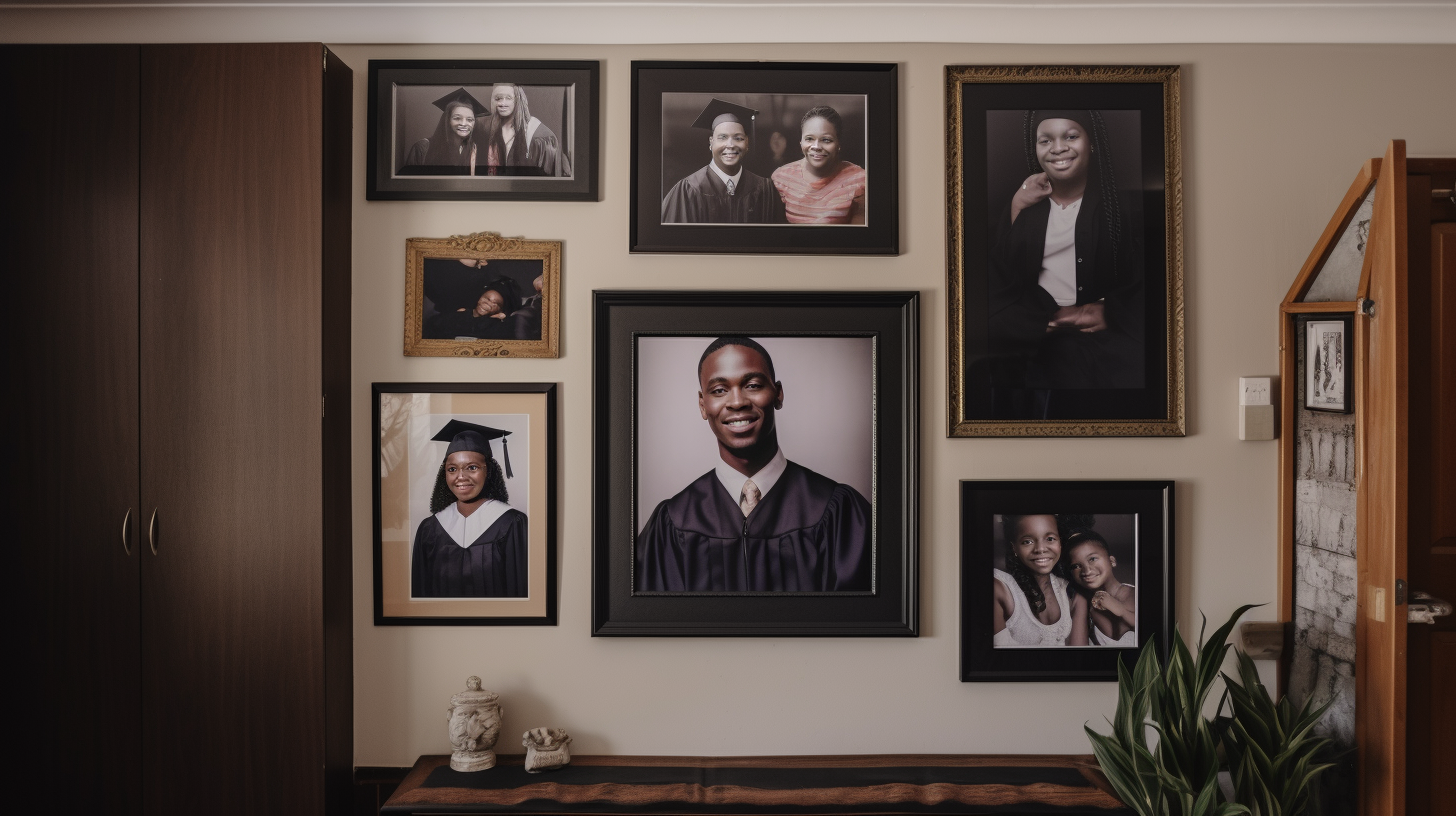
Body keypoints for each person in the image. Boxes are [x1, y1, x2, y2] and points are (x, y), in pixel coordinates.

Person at [635, 336, 871, 592]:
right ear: (703, 405)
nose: (737, 402)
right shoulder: (673, 523)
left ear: (778, 394)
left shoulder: (839, 513)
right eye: (719, 390)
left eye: (753, 385)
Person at [986, 109, 1144, 413]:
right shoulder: (1026, 206)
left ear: (1092, 143)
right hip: (1034, 321)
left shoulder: (1119, 207)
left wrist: (1106, 309)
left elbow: (1146, 279)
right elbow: (1001, 275)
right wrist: (1018, 203)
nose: (1058, 148)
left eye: (1071, 136)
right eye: (1046, 140)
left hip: (1098, 331)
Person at [411, 421, 527, 598]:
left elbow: (522, 592)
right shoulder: (429, 529)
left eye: (472, 467)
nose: (460, 477)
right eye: (452, 469)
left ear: (489, 471)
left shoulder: (512, 523)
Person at [661, 99, 787, 225]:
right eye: (723, 137)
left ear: (747, 143)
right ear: (711, 142)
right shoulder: (688, 190)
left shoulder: (764, 189)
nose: (730, 145)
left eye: (738, 138)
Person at [771, 105, 866, 225]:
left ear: (838, 143)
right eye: (809, 139)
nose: (816, 147)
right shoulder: (781, 177)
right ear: (801, 142)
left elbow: (861, 239)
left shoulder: (859, 179)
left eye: (826, 140)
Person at [992, 514, 1074, 647]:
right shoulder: (1000, 587)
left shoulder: (1064, 588)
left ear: (1060, 543)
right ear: (1014, 548)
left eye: (1050, 539)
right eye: (1027, 541)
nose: (1040, 549)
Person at [1065, 529, 1137, 647]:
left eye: (1092, 559)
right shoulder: (1085, 607)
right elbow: (1077, 652)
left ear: (1112, 561)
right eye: (1076, 566)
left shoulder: (1136, 594)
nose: (1086, 571)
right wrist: (1081, 600)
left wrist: (1122, 611)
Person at [484, 83, 571, 177]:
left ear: (518, 100)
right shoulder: (488, 130)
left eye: (508, 98)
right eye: (498, 98)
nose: (502, 103)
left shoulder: (541, 136)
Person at [400, 88, 487, 175]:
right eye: (457, 118)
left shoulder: (475, 150)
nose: (464, 123)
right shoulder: (423, 147)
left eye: (469, 119)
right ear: (447, 120)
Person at [424, 273, 521, 341]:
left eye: (495, 303)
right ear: (480, 297)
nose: (488, 304)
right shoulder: (453, 317)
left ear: (501, 310)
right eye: (487, 298)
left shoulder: (499, 328)